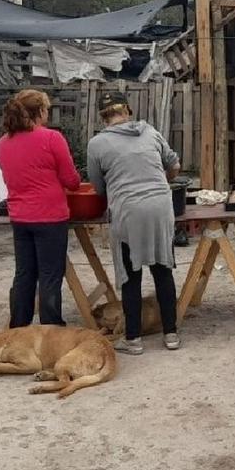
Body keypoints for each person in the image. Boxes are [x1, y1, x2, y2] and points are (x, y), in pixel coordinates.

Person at [87, 92, 182, 354]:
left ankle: (133, 339)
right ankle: (171, 334)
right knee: (163, 270)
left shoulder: (97, 144)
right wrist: (160, 180)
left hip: (128, 211)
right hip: (161, 207)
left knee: (131, 275)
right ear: (127, 111)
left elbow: (97, 186)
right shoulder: (150, 132)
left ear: (104, 117)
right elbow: (175, 165)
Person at [0, 89, 81, 328]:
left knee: (24, 274)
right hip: (50, 216)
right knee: (50, 276)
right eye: (47, 110)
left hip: (20, 216)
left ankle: (18, 328)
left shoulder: (3, 142)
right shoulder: (51, 138)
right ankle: (50, 328)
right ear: (40, 112)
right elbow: (71, 180)